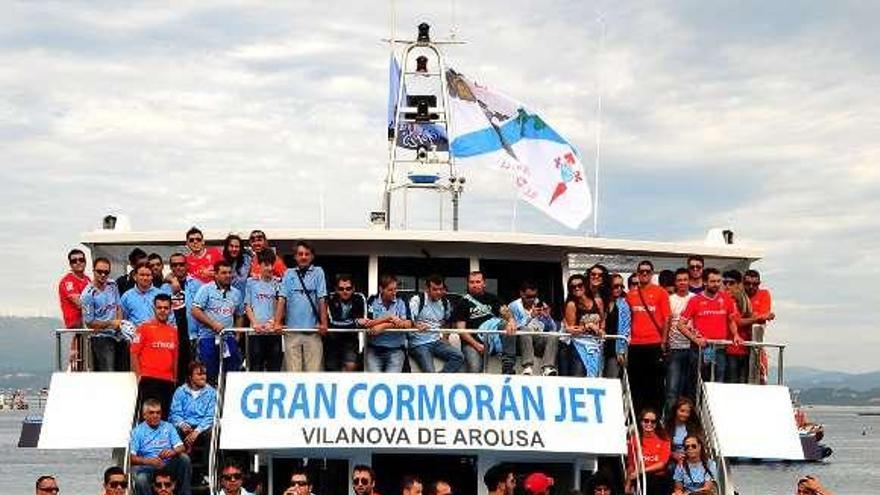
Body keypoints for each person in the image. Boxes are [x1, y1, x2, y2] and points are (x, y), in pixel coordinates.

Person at [678, 268, 743, 382]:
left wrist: (736, 334)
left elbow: (731, 320)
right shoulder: (695, 300)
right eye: (713, 281)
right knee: (702, 382)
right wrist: (695, 339)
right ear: (704, 282)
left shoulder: (726, 299)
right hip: (703, 348)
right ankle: (699, 400)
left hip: (719, 347)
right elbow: (680, 325)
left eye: (719, 281)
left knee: (718, 381)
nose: (716, 284)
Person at [275, 241, 328, 372]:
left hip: (313, 331)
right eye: (300, 254)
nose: (303, 257)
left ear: (312, 256)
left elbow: (322, 299)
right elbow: (282, 299)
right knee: (293, 373)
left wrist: (324, 323)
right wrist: (277, 322)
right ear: (295, 257)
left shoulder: (318, 272)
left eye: (307, 254)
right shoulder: (288, 273)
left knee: (314, 373)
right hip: (292, 332)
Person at [625, 260, 670, 413]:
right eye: (641, 271)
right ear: (637, 274)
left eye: (647, 271)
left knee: (655, 385)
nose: (644, 274)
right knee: (636, 385)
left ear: (652, 274)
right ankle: (638, 418)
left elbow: (667, 318)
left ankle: (655, 417)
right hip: (635, 345)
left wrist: (664, 341)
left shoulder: (660, 292)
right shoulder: (630, 295)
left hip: (654, 344)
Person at [192, 260, 245, 382]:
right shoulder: (205, 289)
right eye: (224, 273)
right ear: (215, 274)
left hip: (228, 338)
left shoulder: (236, 293)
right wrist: (213, 324)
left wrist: (237, 335)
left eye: (229, 272)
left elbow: (240, 314)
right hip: (208, 337)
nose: (228, 275)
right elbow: (195, 310)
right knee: (209, 373)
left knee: (232, 373)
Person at [453, 271, 513, 373]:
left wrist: (511, 321)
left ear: (484, 283)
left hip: (492, 341)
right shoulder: (462, 303)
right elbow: (461, 330)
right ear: (468, 284)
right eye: (472, 282)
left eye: (478, 282)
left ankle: (508, 366)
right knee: (475, 368)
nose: (475, 285)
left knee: (506, 325)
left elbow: (506, 314)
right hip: (471, 344)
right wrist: (477, 345)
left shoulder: (493, 298)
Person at [130, 399, 192, 495]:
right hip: (149, 467)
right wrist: (149, 461)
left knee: (184, 458)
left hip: (168, 465)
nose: (155, 415)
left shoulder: (169, 427)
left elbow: (181, 447)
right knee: (140, 479)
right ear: (144, 415)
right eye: (151, 413)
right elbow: (131, 457)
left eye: (158, 413)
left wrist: (172, 452)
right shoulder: (137, 431)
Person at [131, 294, 179, 417]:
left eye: (166, 308)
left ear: (170, 309)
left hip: (167, 381)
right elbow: (134, 353)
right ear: (154, 308)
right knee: (147, 418)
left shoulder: (173, 331)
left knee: (164, 418)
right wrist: (139, 376)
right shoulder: (143, 328)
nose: (162, 310)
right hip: (148, 379)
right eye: (159, 307)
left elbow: (175, 357)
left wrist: (174, 378)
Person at [408, 275, 464, 373]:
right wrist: (416, 325)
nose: (438, 292)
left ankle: (439, 379)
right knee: (430, 372)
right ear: (427, 289)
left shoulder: (445, 302)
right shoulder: (417, 300)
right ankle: (435, 380)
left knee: (458, 356)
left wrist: (445, 337)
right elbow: (407, 321)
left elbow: (447, 321)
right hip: (419, 344)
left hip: (437, 341)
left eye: (441, 289)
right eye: (435, 289)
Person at [82, 257, 127, 371]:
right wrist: (111, 323)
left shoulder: (112, 284)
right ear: (93, 271)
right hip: (101, 338)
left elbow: (118, 306)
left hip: (118, 335)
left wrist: (119, 323)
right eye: (99, 272)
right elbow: (89, 323)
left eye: (106, 272)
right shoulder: (87, 294)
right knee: (108, 371)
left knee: (123, 371)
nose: (103, 275)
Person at [162, 253, 201, 385]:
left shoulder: (198, 285)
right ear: (171, 267)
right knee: (174, 376)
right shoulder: (164, 287)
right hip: (172, 338)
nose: (178, 267)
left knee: (195, 376)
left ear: (187, 265)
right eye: (174, 265)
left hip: (193, 336)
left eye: (181, 264)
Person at [507, 280, 558, 375]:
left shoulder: (539, 304)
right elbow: (516, 327)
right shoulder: (513, 306)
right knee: (524, 330)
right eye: (529, 297)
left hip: (538, 340)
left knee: (553, 334)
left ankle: (548, 367)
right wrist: (531, 316)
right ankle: (528, 366)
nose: (532, 299)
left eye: (534, 296)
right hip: (520, 342)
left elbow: (553, 328)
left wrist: (548, 317)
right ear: (521, 293)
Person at [364, 274, 413, 372]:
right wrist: (389, 318)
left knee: (391, 382)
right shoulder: (372, 300)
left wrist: (384, 326)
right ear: (381, 289)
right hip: (374, 349)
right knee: (374, 383)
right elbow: (368, 324)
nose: (394, 293)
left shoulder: (402, 300)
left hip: (396, 350)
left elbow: (408, 323)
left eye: (395, 289)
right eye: (390, 290)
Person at [245, 250, 283, 371]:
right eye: (266, 264)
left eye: (272, 264)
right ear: (259, 265)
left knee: (274, 367)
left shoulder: (279, 283)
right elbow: (247, 306)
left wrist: (272, 322)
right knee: (255, 367)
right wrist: (255, 323)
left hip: (273, 332)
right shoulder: (251, 282)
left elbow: (282, 306)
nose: (270, 268)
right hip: (255, 332)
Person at [666, 269, 697, 414]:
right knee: (672, 390)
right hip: (675, 349)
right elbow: (666, 323)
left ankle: (690, 426)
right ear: (675, 282)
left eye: (685, 279)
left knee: (690, 390)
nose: (682, 283)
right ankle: (669, 424)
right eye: (679, 280)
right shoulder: (670, 299)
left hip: (693, 348)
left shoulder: (696, 298)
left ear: (689, 281)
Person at [563, 274, 604, 377]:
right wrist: (587, 326)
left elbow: (603, 320)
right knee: (579, 375)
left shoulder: (598, 301)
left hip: (596, 344)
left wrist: (602, 329)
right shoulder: (571, 305)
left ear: (585, 286)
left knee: (595, 375)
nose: (577, 288)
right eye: (573, 287)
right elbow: (572, 330)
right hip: (579, 344)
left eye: (580, 285)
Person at [169, 362, 217, 452]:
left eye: (204, 374)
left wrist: (197, 431)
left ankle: (206, 465)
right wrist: (183, 425)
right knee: (173, 430)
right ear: (190, 377)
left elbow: (210, 416)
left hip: (202, 427)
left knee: (212, 433)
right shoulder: (180, 391)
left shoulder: (211, 392)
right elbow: (175, 413)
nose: (203, 377)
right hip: (184, 425)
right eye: (199, 374)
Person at [58, 248, 91, 370]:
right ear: (70, 264)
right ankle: (76, 363)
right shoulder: (68, 281)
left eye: (81, 259)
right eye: (74, 261)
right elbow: (79, 302)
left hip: (86, 320)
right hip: (77, 321)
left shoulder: (87, 279)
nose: (78, 262)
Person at [626, 408, 671, 495]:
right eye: (646, 421)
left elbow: (662, 464)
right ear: (641, 422)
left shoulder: (664, 439)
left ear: (656, 423)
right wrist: (628, 484)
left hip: (658, 477)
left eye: (653, 421)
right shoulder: (633, 440)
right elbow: (631, 464)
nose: (649, 424)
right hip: (640, 477)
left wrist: (642, 471)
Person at [326, 274, 366, 372]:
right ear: (336, 289)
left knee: (350, 367)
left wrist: (356, 322)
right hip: (332, 340)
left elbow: (364, 320)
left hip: (350, 340)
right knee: (332, 372)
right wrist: (355, 322)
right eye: (341, 289)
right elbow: (331, 322)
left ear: (353, 288)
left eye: (348, 288)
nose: (345, 291)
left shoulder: (360, 297)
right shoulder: (330, 298)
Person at [722, 270, 753, 384]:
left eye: (731, 283)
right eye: (724, 283)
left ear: (739, 284)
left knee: (742, 384)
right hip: (730, 349)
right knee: (731, 383)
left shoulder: (745, 301)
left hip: (744, 348)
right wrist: (757, 318)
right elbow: (737, 321)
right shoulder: (724, 301)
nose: (727, 286)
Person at [743, 269, 775, 384]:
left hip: (756, 345)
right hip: (737, 346)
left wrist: (747, 318)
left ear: (759, 284)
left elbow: (762, 317)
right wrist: (758, 317)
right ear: (742, 283)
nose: (751, 286)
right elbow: (761, 317)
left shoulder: (764, 294)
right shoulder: (738, 295)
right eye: (747, 283)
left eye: (755, 284)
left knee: (761, 378)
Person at [603, 273, 631, 379]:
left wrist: (621, 350)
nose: (619, 289)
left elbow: (625, 329)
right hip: (600, 346)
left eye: (621, 286)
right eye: (616, 286)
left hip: (615, 347)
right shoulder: (602, 301)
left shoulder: (624, 304)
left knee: (612, 378)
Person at [665, 398, 703, 469]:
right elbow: (663, 447)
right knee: (671, 467)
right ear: (676, 411)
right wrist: (673, 455)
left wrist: (688, 455)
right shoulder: (668, 426)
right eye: (682, 411)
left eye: (688, 412)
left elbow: (699, 445)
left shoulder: (693, 427)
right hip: (673, 458)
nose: (685, 414)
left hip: (691, 456)